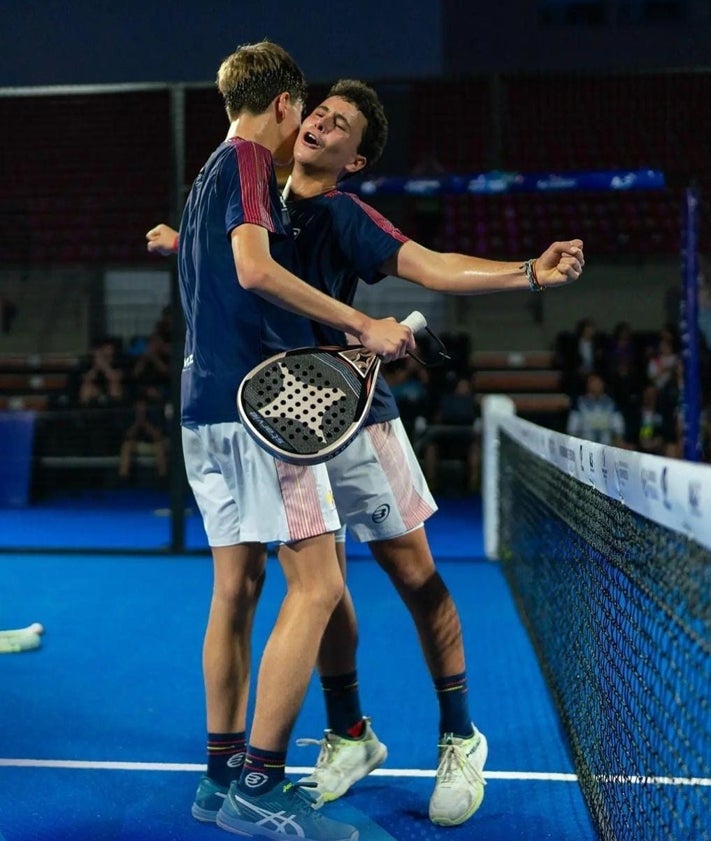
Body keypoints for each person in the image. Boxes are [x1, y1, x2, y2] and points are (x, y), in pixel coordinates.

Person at [147, 78, 584, 829]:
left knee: (412, 574)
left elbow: (432, 264)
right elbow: (246, 273)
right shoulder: (255, 193)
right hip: (282, 419)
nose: (320, 122)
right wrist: (183, 243)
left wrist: (525, 272)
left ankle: (459, 734)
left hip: (356, 418)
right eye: (319, 111)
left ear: (353, 159)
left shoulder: (345, 214)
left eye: (340, 124)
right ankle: (349, 733)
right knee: (320, 582)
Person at [170, 42, 414, 841]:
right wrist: (360, 321)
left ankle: (217, 777)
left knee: (235, 592)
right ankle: (259, 783)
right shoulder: (246, 160)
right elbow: (252, 270)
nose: (301, 124)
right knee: (317, 583)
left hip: (200, 411)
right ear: (280, 106)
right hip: (256, 411)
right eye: (300, 110)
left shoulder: (211, 169)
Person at [566, 372, 625, 446]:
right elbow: (572, 429)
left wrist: (618, 441)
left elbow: (618, 428)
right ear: (587, 384)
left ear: (603, 384)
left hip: (606, 446)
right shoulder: (580, 403)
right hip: (585, 445)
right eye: (592, 382)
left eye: (598, 382)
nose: (595, 385)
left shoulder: (610, 403)